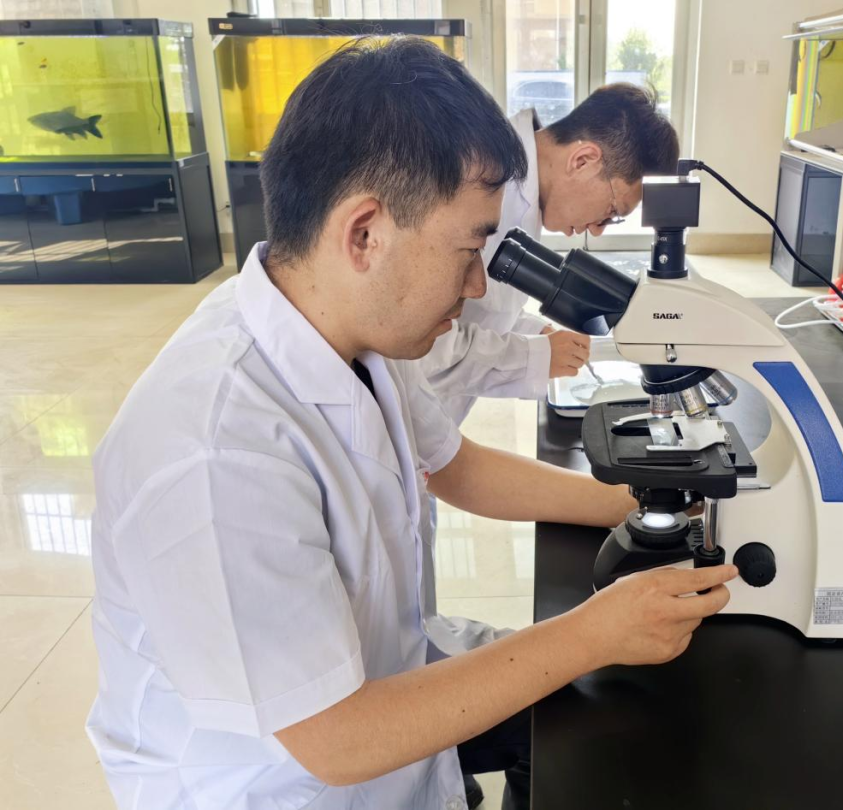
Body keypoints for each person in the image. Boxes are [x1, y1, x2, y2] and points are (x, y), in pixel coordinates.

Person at [86, 37, 737, 810]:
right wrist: (592, 632)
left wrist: (638, 505)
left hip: (385, 694)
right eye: (470, 250)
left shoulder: (349, 324)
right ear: (365, 233)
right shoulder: (215, 451)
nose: (478, 286)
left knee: (600, 716)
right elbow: (339, 739)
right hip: (279, 785)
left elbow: (456, 466)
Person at [419, 84, 681, 426]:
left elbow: (484, 311)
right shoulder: (477, 180)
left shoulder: (525, 190)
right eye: (611, 212)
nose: (598, 230)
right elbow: (421, 343)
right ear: (582, 160)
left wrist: (537, 333)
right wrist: (535, 356)